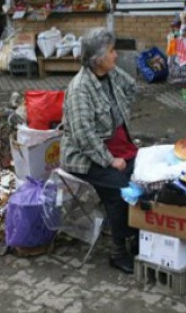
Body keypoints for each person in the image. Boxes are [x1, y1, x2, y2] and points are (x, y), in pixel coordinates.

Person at [60, 27, 138, 274]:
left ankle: (137, 235)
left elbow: (132, 88)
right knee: (119, 189)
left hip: (115, 145)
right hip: (84, 156)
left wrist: (119, 109)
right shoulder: (79, 89)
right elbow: (84, 137)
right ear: (97, 59)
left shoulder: (110, 73)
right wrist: (110, 160)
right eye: (112, 51)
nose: (116, 55)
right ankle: (118, 250)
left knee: (144, 177)